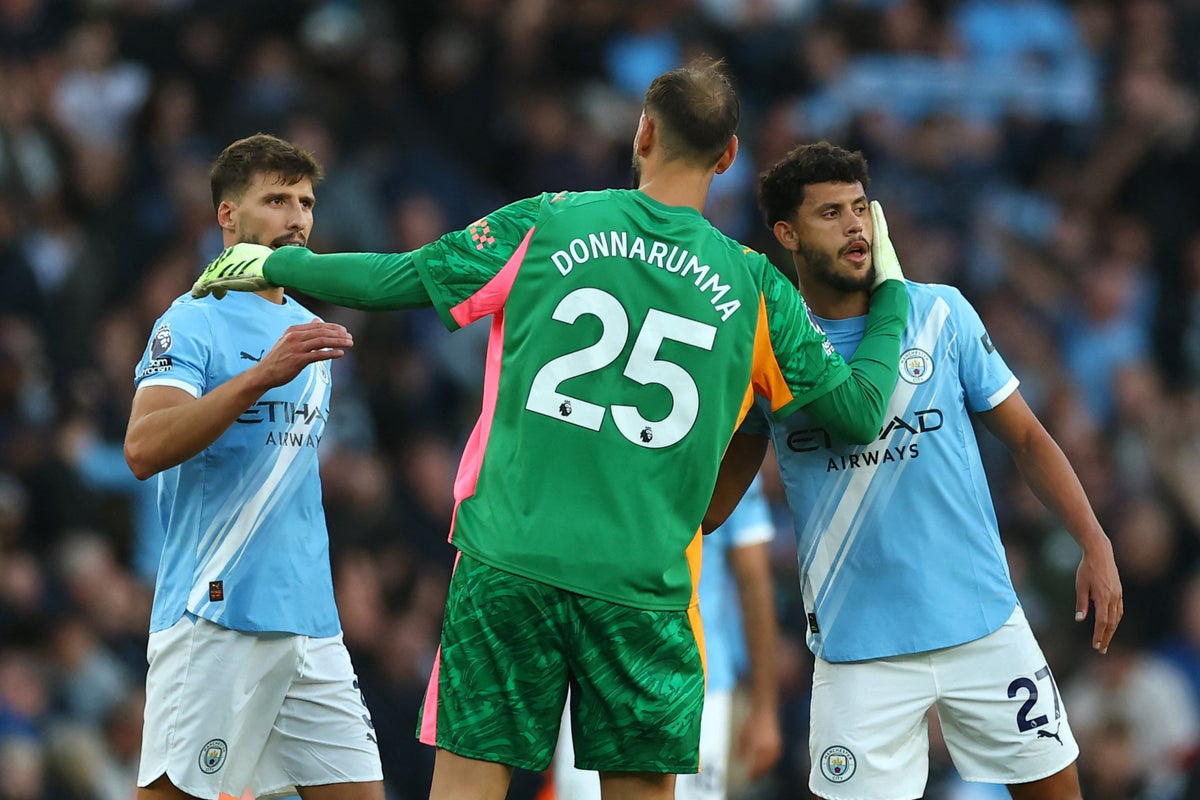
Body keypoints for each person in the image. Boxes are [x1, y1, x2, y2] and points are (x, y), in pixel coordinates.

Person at [188, 58, 910, 800]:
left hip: (508, 564)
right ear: (728, 157)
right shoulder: (758, 286)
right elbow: (856, 415)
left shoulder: (547, 220)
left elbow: (389, 280)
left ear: (644, 133)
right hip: (642, 591)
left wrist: (280, 258)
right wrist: (889, 292)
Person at [706, 141, 1124, 800]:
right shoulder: (769, 351)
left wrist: (1094, 541)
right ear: (786, 233)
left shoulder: (940, 314)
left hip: (983, 625)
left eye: (858, 209)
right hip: (859, 652)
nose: (854, 226)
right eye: (829, 214)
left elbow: (1028, 439)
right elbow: (711, 506)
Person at [124, 133, 384, 800]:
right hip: (217, 614)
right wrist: (259, 378)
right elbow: (143, 448)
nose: (297, 216)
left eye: (306, 201)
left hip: (310, 622)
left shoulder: (306, 324)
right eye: (276, 199)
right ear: (228, 217)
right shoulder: (191, 322)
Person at [553, 475, 783, 800]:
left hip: (696, 686)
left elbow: (753, 579)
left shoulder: (728, 443)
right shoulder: (722, 437)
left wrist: (764, 709)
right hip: (604, 676)